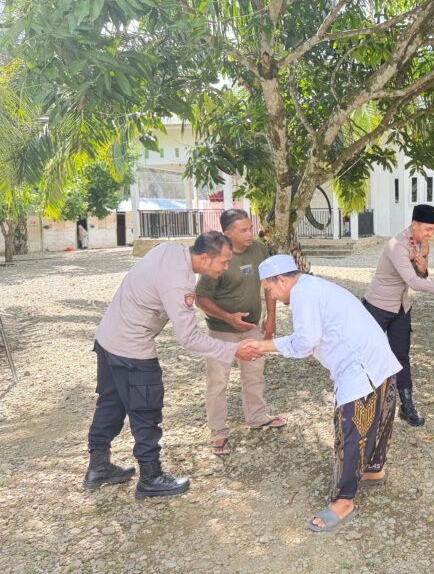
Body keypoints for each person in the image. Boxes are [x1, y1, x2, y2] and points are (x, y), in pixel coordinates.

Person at [83, 232, 265, 499]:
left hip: (108, 338)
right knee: (146, 410)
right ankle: (150, 477)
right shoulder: (179, 283)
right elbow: (189, 338)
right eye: (224, 262)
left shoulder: (171, 250)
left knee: (110, 403)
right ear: (205, 258)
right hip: (132, 347)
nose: (226, 267)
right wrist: (234, 348)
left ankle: (98, 467)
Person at [254, 255, 402, 532]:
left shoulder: (302, 293)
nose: (270, 296)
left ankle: (344, 501)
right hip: (377, 359)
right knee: (379, 418)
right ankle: (373, 468)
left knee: (350, 431)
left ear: (282, 280)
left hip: (360, 368)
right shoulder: (313, 286)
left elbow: (304, 342)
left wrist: (264, 346)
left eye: (269, 289)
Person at [362, 204, 434, 426]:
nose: (431, 234)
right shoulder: (398, 245)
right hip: (377, 305)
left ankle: (406, 406)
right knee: (368, 356)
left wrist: (424, 266)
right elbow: (413, 282)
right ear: (414, 224)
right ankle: (364, 407)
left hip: (401, 307)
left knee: (401, 356)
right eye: (428, 229)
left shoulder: (421, 244)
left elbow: (420, 274)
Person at [195, 209, 284, 456]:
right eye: (242, 230)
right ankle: (219, 433)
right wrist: (227, 318)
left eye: (250, 228)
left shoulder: (258, 250)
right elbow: (200, 297)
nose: (249, 234)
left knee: (255, 374)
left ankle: (257, 418)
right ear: (227, 234)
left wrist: (271, 318)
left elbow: (268, 284)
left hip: (253, 326)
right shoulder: (218, 257)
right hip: (222, 331)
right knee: (218, 381)